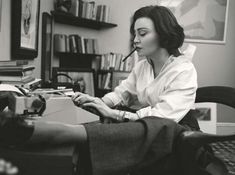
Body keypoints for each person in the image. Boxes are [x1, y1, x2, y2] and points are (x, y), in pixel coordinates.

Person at [0, 5, 222, 175]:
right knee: (119, 120)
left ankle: (61, 133)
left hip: (177, 129)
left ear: (163, 34)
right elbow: (122, 93)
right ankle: (61, 135)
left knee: (144, 125)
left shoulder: (184, 69)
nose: (135, 40)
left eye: (142, 33)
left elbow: (164, 117)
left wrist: (116, 114)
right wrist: (98, 102)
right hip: (151, 124)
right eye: (134, 33)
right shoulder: (143, 65)